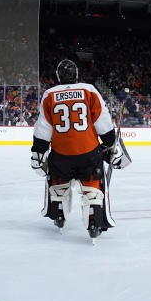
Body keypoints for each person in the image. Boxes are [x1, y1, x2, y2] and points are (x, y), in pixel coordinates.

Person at [30, 59, 127, 240]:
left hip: (61, 155)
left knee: (57, 182)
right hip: (89, 153)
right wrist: (109, 143)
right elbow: (102, 121)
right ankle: (94, 216)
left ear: (58, 76)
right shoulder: (88, 90)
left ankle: (58, 211)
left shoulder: (50, 94)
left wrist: (38, 152)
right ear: (76, 75)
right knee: (93, 186)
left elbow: (43, 129)